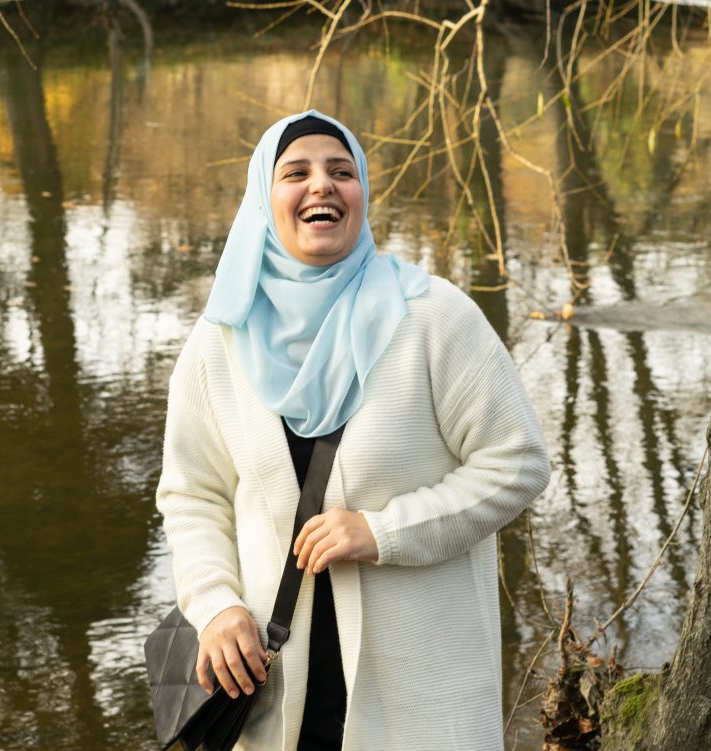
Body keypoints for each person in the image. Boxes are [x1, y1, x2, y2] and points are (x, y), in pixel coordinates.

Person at [155, 110, 550, 750]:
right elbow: (192, 495)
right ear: (264, 198)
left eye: (343, 171)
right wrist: (215, 605)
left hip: (424, 681)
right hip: (275, 679)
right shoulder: (218, 341)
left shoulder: (434, 316)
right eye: (296, 173)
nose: (322, 186)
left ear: (362, 191)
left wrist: (383, 531)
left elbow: (518, 463)